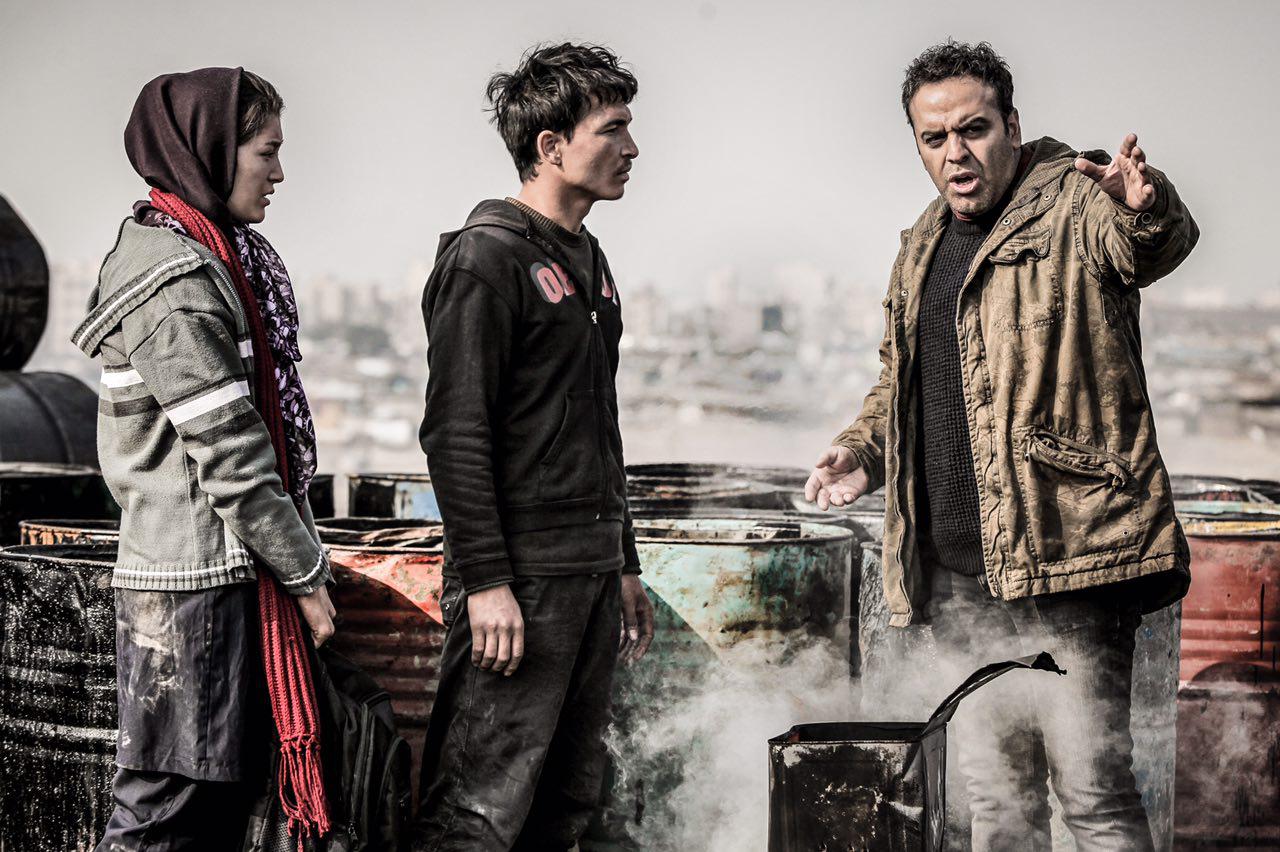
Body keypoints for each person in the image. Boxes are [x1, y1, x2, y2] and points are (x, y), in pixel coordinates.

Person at [804, 40, 1198, 851]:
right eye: (934, 138)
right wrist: (861, 452)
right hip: (958, 583)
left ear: (1012, 126)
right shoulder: (922, 243)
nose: (956, 153)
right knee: (998, 802)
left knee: (1093, 796)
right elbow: (903, 382)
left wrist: (1144, 205)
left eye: (973, 129)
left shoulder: (1074, 200)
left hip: (1069, 568)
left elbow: (1147, 243)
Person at [75, 67, 337, 850]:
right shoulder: (176, 282)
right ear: (213, 152)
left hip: (206, 580)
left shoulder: (203, 256)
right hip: (191, 589)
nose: (279, 172)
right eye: (266, 152)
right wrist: (306, 575)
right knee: (165, 816)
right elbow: (232, 455)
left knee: (209, 817)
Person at [414, 42, 655, 851]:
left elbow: (598, 425)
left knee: (567, 804)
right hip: (520, 582)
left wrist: (623, 560)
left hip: (589, 575)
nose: (631, 148)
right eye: (612, 129)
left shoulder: (589, 258)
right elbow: (455, 431)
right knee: (479, 811)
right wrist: (487, 582)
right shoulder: (487, 258)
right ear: (551, 146)